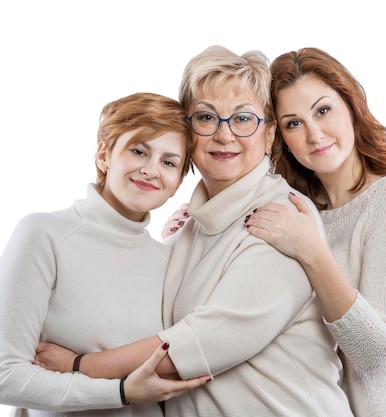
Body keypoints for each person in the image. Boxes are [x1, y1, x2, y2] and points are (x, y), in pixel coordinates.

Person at [34, 45, 354, 417]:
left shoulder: (282, 218)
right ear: (188, 133)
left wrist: (78, 367)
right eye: (206, 118)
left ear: (269, 137)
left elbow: (201, 343)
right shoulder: (188, 230)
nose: (224, 135)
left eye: (243, 119)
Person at [243, 47, 386, 417]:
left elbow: (373, 351)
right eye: (293, 123)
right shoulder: (304, 213)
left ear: (351, 105)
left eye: (323, 110)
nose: (314, 134)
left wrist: (312, 250)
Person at [0, 92, 210, 417]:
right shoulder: (44, 235)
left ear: (177, 184)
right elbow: (3, 377)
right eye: (138, 151)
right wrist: (121, 391)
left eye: (169, 162)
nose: (151, 170)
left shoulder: (169, 262)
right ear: (104, 155)